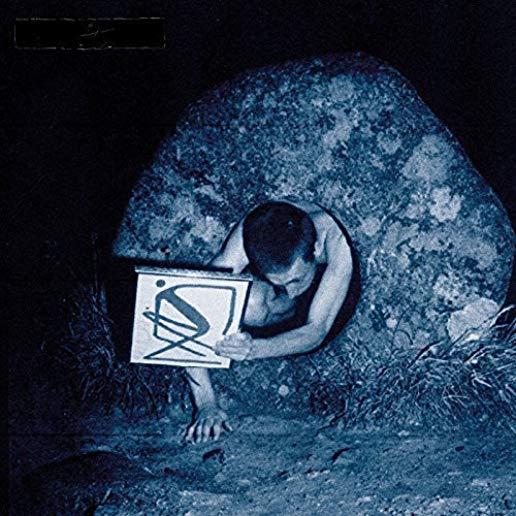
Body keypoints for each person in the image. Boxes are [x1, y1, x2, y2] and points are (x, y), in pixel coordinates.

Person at [184, 198, 360, 443]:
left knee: (292, 297)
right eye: (281, 283)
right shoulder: (248, 234)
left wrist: (255, 349)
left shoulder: (337, 239)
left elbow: (317, 330)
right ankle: (283, 287)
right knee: (252, 305)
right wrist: (206, 403)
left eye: (296, 280)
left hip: (331, 290)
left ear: (317, 248)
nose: (291, 291)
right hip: (282, 305)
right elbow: (194, 306)